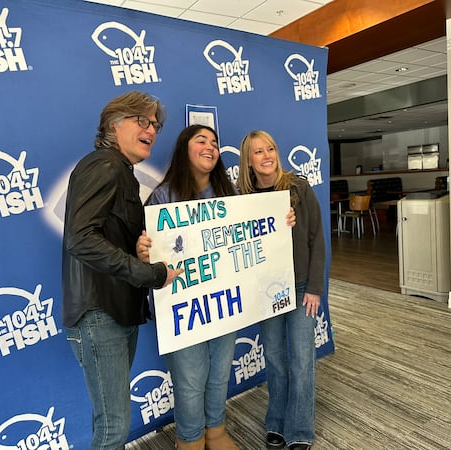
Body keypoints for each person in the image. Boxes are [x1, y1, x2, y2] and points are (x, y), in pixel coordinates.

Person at [61, 91, 183, 450]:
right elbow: (81, 239)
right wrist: (151, 274)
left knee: (110, 422)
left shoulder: (123, 173)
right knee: (114, 427)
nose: (151, 130)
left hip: (116, 313)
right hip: (100, 315)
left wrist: (139, 251)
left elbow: (105, 238)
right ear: (114, 126)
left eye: (155, 125)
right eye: (141, 121)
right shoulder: (104, 165)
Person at [138, 124, 239, 450]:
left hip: (224, 303)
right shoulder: (163, 196)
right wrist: (143, 252)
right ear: (185, 149)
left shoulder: (229, 194)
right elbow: (147, 253)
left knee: (219, 374)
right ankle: (191, 440)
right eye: (201, 140)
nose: (210, 146)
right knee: (190, 382)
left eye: (214, 142)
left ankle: (216, 431)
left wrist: (281, 222)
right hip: (183, 310)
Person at [237, 130, 325, 450]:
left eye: (271, 148)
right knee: (274, 358)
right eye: (258, 152)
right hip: (267, 290)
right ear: (248, 159)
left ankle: (300, 428)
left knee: (301, 359)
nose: (267, 156)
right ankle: (276, 421)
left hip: (302, 286)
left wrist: (315, 288)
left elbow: (317, 239)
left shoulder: (298, 187)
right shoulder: (242, 198)